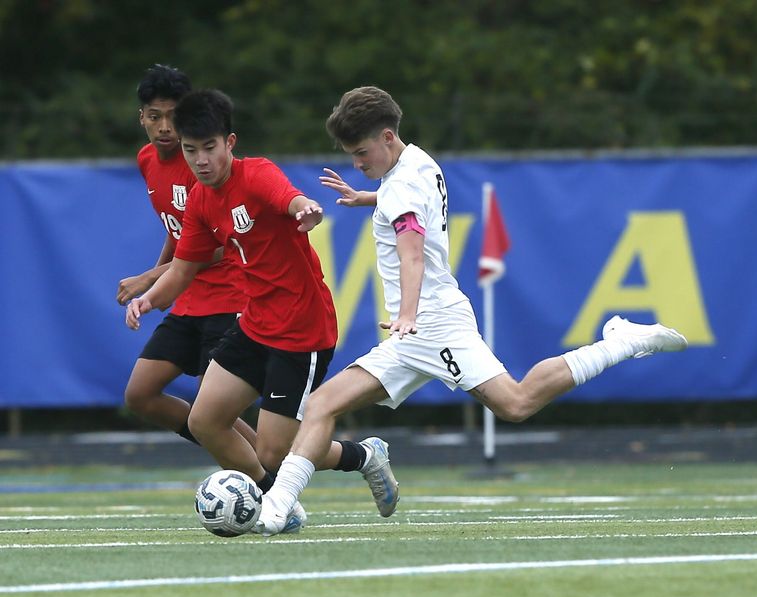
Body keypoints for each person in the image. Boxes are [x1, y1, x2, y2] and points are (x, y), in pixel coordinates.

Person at [252, 85, 689, 536]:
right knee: (322, 404)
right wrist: (367, 198)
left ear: (386, 137)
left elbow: (412, 254)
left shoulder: (399, 186)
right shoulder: (417, 161)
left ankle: (620, 342)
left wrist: (406, 313)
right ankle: (278, 507)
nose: (358, 164)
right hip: (414, 333)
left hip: (433, 325)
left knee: (516, 404)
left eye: (362, 153)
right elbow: (405, 200)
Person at [125, 89, 399, 532]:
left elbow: (290, 199)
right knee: (205, 420)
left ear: (229, 143)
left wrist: (306, 209)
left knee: (275, 451)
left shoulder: (256, 175)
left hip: (302, 330)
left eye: (210, 148)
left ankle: (362, 455)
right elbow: (182, 270)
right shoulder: (199, 200)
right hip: (254, 324)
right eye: (192, 151)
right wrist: (149, 298)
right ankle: (277, 504)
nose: (201, 161)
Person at [118, 64, 254, 451]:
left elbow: (221, 244)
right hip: (190, 297)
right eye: (154, 116)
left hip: (229, 294)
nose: (164, 127)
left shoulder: (203, 164)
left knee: (212, 415)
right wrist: (164, 281)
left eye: (172, 116)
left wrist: (150, 278)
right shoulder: (147, 160)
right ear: (141, 117)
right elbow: (179, 231)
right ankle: (264, 469)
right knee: (140, 395)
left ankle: (268, 476)